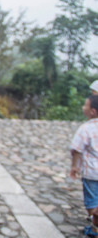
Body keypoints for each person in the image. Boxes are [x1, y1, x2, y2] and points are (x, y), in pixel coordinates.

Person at [70, 95, 98, 236]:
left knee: (92, 202)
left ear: (92, 111)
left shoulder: (86, 128)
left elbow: (77, 149)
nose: (83, 108)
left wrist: (74, 166)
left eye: (85, 105)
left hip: (91, 172)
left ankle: (94, 228)